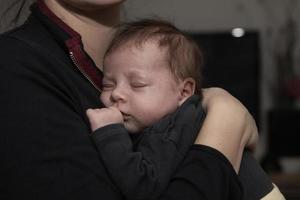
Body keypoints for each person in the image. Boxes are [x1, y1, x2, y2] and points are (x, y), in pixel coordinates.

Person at [0, 0, 282, 199]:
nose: (118, 94)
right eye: (111, 84)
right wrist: (224, 128)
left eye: (137, 83)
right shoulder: (16, 67)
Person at [86, 19, 285, 200]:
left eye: (137, 84)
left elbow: (143, 187)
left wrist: (109, 133)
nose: (116, 94)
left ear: (184, 92)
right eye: (107, 85)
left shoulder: (171, 129)